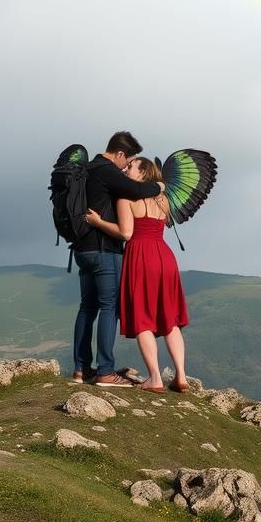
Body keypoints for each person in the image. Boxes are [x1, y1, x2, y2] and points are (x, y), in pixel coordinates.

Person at [86, 156, 190, 394]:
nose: (125, 170)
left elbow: (126, 233)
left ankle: (155, 378)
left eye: (131, 167)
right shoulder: (163, 198)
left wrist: (98, 221)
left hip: (141, 256)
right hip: (165, 256)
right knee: (169, 319)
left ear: (143, 173)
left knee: (143, 317)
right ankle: (181, 377)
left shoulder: (126, 197)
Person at [72, 131, 165, 387]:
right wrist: (159, 185)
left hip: (82, 250)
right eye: (128, 161)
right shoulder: (107, 169)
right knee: (109, 307)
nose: (125, 167)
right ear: (120, 154)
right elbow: (136, 190)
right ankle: (105, 371)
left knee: (86, 308)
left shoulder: (88, 169)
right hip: (105, 250)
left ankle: (81, 369)